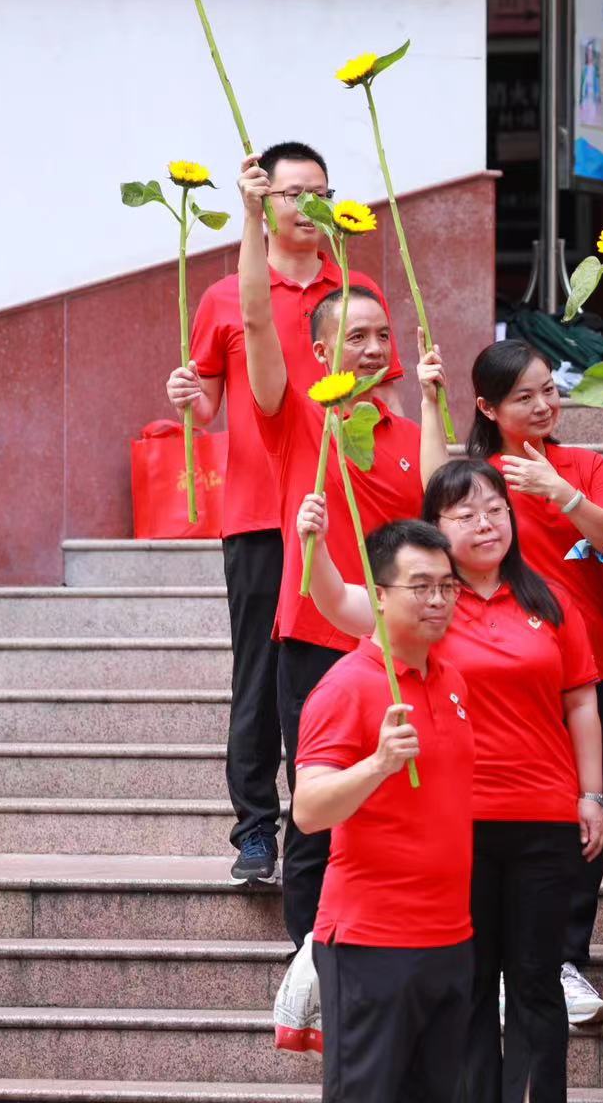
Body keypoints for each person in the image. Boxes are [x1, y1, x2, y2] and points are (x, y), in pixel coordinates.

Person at [299, 455, 603, 1103]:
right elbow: (338, 601)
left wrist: (591, 793)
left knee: (536, 981)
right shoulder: (415, 623)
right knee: (469, 992)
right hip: (449, 843)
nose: (486, 523)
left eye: (496, 509)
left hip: (542, 818)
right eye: (465, 514)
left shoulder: (541, 605)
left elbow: (582, 698)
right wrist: (314, 545)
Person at [164, 142, 401, 887]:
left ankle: (327, 810)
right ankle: (255, 828)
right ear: (264, 205)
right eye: (292, 193)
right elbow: (209, 401)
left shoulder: (355, 287)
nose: (308, 206)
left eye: (319, 192)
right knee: (261, 669)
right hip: (259, 510)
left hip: (342, 507)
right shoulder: (227, 296)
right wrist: (187, 397)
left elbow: (387, 396)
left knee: (344, 658)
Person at [233, 154, 423, 948]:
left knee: (400, 795)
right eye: (355, 337)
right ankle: (310, 961)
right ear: (320, 352)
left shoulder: (408, 434)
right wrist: (252, 218)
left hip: (399, 641)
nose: (372, 348)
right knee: (314, 807)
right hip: (315, 635)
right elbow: (254, 322)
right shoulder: (297, 419)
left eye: (382, 336)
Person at [456, 339, 603, 1026]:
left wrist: (563, 493)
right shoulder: (476, 480)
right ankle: (502, 963)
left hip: (592, 662)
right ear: (487, 407)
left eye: (549, 391)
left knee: (587, 812)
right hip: (498, 670)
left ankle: (565, 960)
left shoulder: (585, 465)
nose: (542, 405)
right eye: (523, 396)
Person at [292, 519, 475, 1103]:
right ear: (377, 594)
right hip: (372, 942)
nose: (438, 600)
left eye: (447, 586)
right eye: (420, 587)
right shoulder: (345, 686)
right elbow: (307, 810)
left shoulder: (452, 681)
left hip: (451, 936)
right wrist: (376, 765)